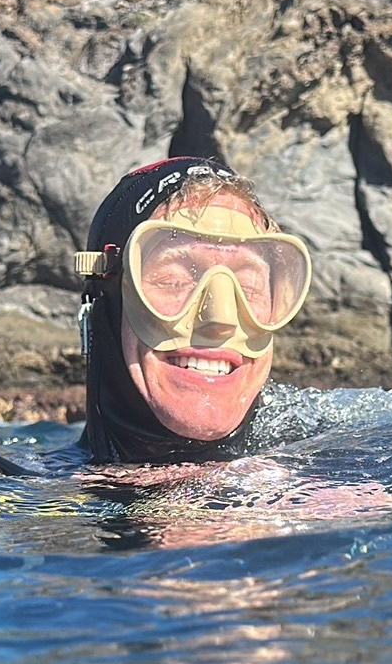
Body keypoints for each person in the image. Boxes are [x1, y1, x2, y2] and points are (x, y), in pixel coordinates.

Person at [73, 157, 312, 464]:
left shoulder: (346, 471)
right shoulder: (29, 489)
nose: (221, 320)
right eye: (173, 281)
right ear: (103, 307)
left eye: (249, 286)